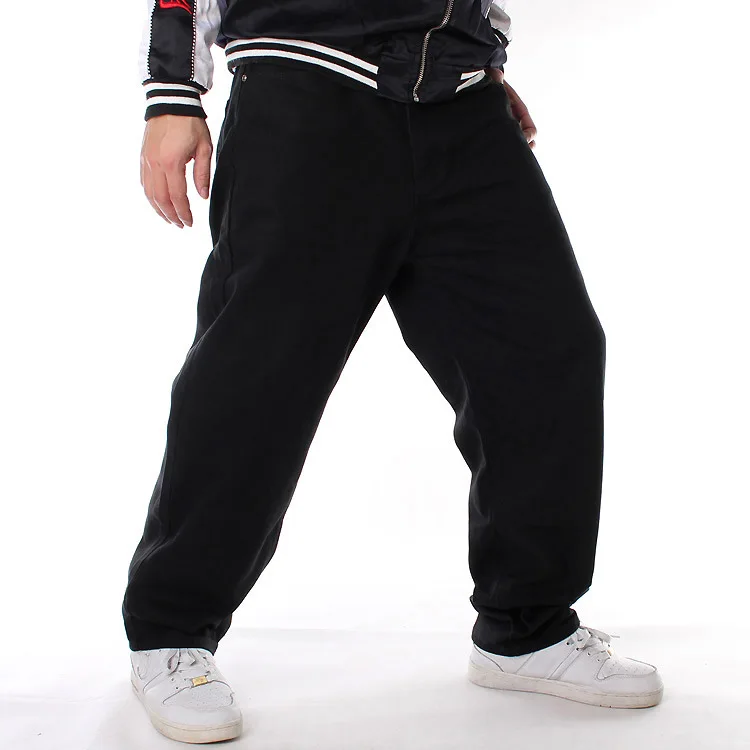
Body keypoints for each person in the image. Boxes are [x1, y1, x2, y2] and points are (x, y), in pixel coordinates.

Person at [124, 0, 664, 742]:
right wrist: (172, 92)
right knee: (257, 379)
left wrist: (477, 53)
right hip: (306, 94)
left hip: (461, 105)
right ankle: (170, 630)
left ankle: (526, 627)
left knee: (545, 351)